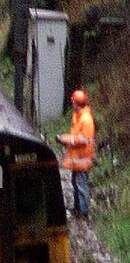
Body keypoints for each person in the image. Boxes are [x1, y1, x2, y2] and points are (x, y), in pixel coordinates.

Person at [57, 88, 96, 219]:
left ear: (76, 103)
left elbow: (83, 139)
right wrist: (65, 137)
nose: (72, 104)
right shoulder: (78, 116)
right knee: (75, 183)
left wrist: (65, 139)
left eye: (73, 102)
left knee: (81, 185)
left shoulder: (86, 119)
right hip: (77, 157)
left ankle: (83, 211)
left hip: (82, 158)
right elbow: (76, 135)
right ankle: (78, 208)